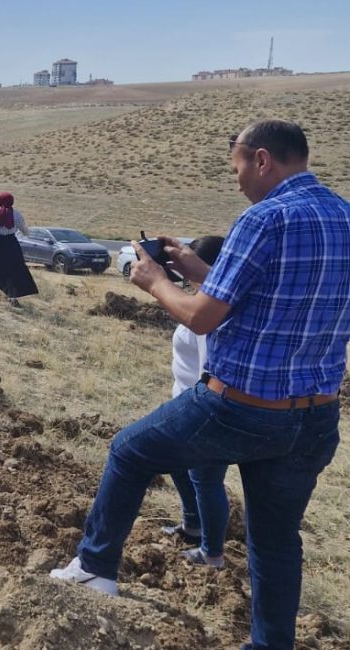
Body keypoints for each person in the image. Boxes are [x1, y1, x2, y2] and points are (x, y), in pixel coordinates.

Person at [50, 119, 350, 650]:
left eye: (236, 164)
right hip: (317, 416)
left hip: (242, 407)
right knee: (276, 541)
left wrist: (157, 280)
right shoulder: (344, 216)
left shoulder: (264, 219)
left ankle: (96, 566)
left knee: (128, 451)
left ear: (262, 160)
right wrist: (195, 267)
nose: (235, 178)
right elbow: (278, 298)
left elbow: (202, 319)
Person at [159, 236, 228, 569]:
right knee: (176, 462)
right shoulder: (203, 300)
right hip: (184, 401)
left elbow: (208, 368)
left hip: (201, 408)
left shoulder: (212, 313)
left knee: (206, 478)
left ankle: (212, 552)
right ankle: (192, 525)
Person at [0, 191, 37, 306]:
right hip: (11, 244)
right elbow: (25, 230)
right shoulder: (17, 214)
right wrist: (23, 233)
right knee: (12, 269)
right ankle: (13, 297)